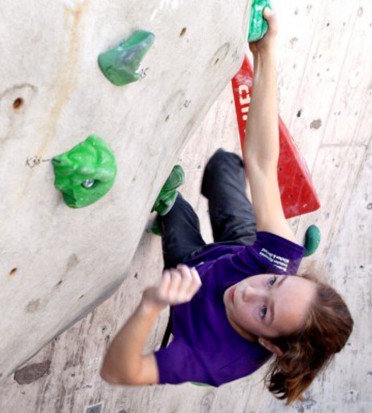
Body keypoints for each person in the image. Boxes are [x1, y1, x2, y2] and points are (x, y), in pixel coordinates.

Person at [100, 8, 353, 404]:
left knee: (174, 211)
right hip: (243, 246)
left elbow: (118, 371)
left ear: (270, 345)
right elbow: (263, 164)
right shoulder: (275, 261)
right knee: (224, 165)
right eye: (273, 283)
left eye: (265, 314)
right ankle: (264, 226)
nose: (247, 294)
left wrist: (152, 306)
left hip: (185, 283)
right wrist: (266, 54)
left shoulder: (211, 359)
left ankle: (166, 206)